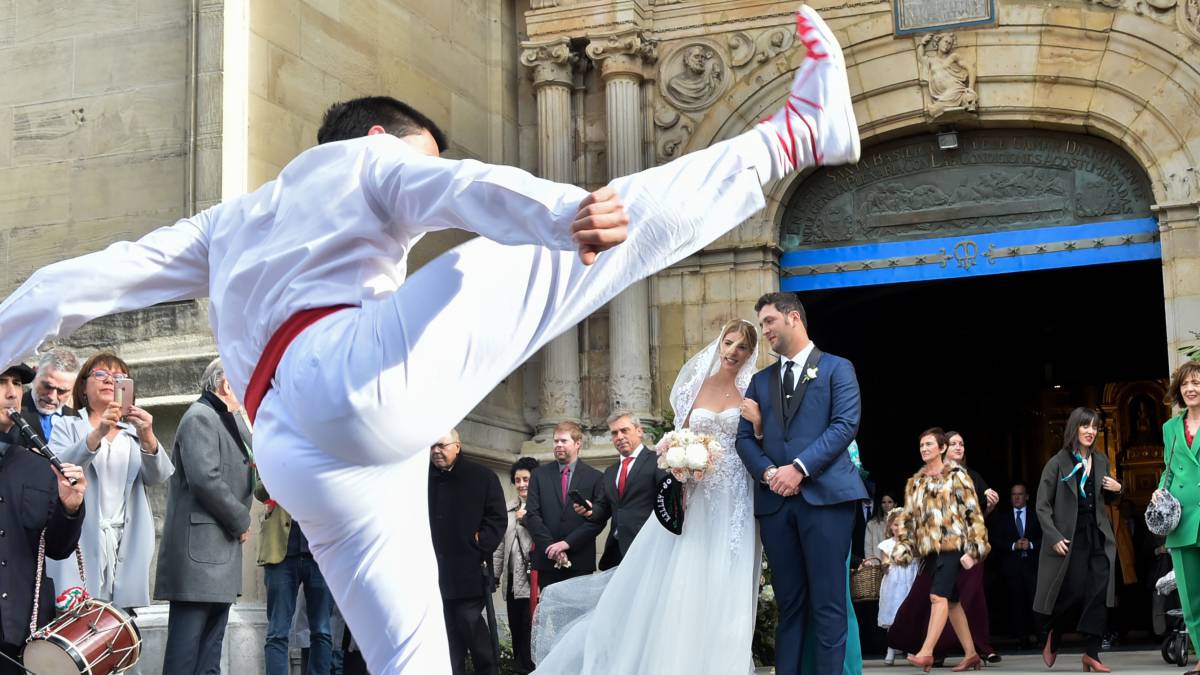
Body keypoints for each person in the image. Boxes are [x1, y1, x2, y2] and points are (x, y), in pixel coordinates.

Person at [0, 6, 860, 669]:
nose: (419, 169)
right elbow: (461, 187)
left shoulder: (223, 224)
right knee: (528, 261)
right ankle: (796, 132)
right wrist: (557, 213)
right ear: (381, 139)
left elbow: (75, 279)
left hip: (297, 453)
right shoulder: (368, 160)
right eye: (418, 151)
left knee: (409, 658)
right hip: (346, 380)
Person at [532, 319, 761, 673]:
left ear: (750, 354)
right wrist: (680, 467)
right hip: (696, 496)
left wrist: (758, 423)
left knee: (727, 574)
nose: (733, 352)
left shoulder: (753, 393)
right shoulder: (694, 388)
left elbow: (759, 443)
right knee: (686, 573)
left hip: (735, 496)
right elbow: (678, 440)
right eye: (728, 343)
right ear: (719, 343)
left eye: (742, 347)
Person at [734, 291, 868, 675]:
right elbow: (744, 439)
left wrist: (799, 468)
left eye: (769, 322)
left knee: (828, 604)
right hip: (777, 505)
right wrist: (769, 473)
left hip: (826, 501)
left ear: (793, 318)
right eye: (762, 324)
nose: (765, 331)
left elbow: (845, 425)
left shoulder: (837, 369)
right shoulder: (760, 382)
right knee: (790, 606)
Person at [46, 352, 172, 611]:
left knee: (118, 624)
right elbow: (57, 469)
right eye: (100, 374)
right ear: (83, 386)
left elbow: (158, 476)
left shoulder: (133, 434)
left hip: (126, 538)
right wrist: (98, 433)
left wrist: (147, 435)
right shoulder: (66, 426)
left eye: (118, 377)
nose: (109, 381)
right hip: (80, 539)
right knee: (78, 619)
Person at [155, 358, 255, 675]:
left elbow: (252, 466)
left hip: (218, 555)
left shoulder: (232, 419)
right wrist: (240, 519)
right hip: (198, 557)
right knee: (184, 660)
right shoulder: (199, 417)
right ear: (227, 384)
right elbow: (205, 479)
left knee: (209, 658)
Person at [0, 362, 86, 675]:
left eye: (16, 384)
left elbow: (58, 548)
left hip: (24, 625)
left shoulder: (38, 465)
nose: (12, 394)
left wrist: (71, 507)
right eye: (2, 383)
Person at [891, 428, 989, 672]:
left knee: (938, 596)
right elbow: (908, 518)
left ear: (942, 448)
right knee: (953, 601)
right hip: (930, 549)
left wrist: (975, 548)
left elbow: (973, 512)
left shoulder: (958, 476)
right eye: (922, 445)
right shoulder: (917, 482)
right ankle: (970, 654)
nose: (924, 449)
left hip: (954, 545)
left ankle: (926, 652)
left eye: (929, 444)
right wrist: (904, 546)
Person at [1035, 407, 1122, 672]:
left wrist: (1118, 490)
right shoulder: (1057, 463)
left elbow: (1105, 497)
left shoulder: (1101, 459)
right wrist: (1053, 537)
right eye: (1085, 426)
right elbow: (1042, 506)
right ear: (1074, 428)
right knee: (1074, 591)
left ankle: (1092, 652)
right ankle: (1054, 632)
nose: (1090, 431)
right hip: (1070, 538)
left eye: (1094, 427)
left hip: (1097, 533)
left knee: (1099, 590)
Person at [427, 429, 507, 675]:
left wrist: (480, 542)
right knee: (446, 642)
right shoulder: (421, 478)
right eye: (432, 447)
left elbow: (497, 519)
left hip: (469, 572)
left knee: (473, 629)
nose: (437, 451)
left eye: (442, 445)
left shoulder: (482, 477)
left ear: (457, 446)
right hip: (431, 575)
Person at [255, 476, 334, 675]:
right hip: (281, 552)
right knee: (277, 633)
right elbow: (258, 490)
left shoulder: (327, 447)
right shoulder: (275, 446)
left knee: (322, 631)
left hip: (321, 551)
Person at [573, 411, 664, 570]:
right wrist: (589, 510)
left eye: (624, 430)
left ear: (639, 431)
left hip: (648, 549)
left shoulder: (658, 461)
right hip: (616, 552)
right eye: (614, 433)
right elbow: (603, 509)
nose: (619, 437)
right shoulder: (610, 471)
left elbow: (666, 503)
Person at [524, 421, 604, 593]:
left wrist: (566, 544)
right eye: (555, 441)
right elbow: (532, 515)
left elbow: (598, 520)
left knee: (579, 617)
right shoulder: (539, 475)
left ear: (577, 444)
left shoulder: (595, 477)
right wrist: (551, 547)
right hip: (548, 559)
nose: (558, 445)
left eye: (563, 441)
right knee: (551, 616)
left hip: (579, 559)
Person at [1156, 360, 1200, 674]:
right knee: (1190, 597)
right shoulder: (1170, 428)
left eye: (1196, 382)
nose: (1191, 389)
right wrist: (1159, 490)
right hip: (1182, 521)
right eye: (1185, 384)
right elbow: (1169, 471)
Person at [943, 430, 999, 663]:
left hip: (972, 546)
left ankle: (982, 647)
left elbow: (981, 514)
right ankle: (939, 648)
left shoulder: (974, 476)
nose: (959, 447)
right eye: (953, 443)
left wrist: (990, 504)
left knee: (974, 595)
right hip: (946, 545)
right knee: (945, 597)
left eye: (962, 444)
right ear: (943, 447)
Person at [493, 457, 539, 675]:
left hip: (534, 584)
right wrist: (494, 576)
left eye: (526, 479)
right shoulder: (508, 509)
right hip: (513, 584)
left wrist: (528, 519)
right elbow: (499, 547)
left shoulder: (543, 507)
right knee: (516, 632)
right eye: (517, 480)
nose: (521, 484)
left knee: (530, 635)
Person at [992, 482, 1041, 648]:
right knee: (1017, 604)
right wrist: (1014, 545)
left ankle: (1041, 637)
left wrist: (1031, 545)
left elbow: (1048, 539)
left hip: (1033, 567)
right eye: (1014, 494)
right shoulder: (1002, 518)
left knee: (1036, 603)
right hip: (1012, 569)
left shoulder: (1037, 515)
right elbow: (995, 541)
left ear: (1026, 496)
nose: (1017, 497)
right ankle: (1022, 638)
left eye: (1020, 494)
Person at [878, 507, 918, 666]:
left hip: (911, 579)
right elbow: (884, 562)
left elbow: (919, 557)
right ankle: (891, 648)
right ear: (890, 526)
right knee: (893, 613)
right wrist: (885, 565)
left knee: (910, 614)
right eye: (895, 525)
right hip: (894, 582)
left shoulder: (914, 543)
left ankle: (911, 648)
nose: (898, 528)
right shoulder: (886, 545)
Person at [18, 348, 78, 445]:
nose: (52, 397)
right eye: (47, 386)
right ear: (35, 373)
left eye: (62, 391)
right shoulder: (11, 412)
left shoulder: (78, 420)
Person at [864, 490, 897, 563]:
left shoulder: (901, 524)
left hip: (897, 565)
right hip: (877, 567)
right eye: (884, 502)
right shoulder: (872, 524)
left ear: (895, 504)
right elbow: (868, 549)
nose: (886, 505)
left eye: (890, 502)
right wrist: (874, 565)